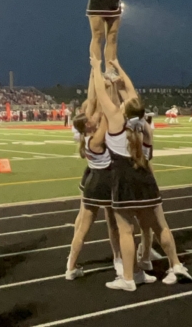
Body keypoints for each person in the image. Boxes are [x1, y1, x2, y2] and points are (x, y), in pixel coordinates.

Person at [89, 56, 192, 291]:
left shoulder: (116, 121)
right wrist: (117, 66)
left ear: (125, 109)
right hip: (146, 178)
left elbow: (100, 93)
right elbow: (132, 94)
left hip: (124, 180)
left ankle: (128, 278)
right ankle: (176, 265)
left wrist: (97, 68)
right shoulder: (145, 127)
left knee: (126, 231)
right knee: (161, 226)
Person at [66, 70, 122, 281]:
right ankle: (118, 258)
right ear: (87, 125)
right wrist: (108, 87)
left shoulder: (86, 140)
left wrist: (101, 83)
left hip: (91, 183)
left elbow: (97, 112)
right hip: (105, 182)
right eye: (90, 119)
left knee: (82, 229)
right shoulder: (96, 139)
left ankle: (70, 265)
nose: (92, 118)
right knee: (113, 225)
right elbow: (107, 114)